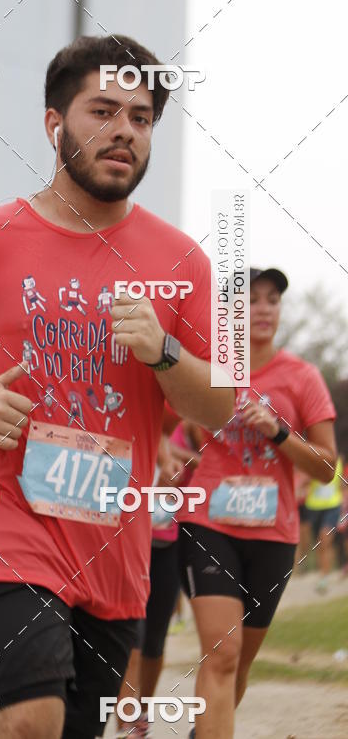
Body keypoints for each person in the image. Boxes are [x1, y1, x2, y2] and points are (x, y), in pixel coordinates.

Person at [0, 34, 235, 738]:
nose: (124, 130)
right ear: (55, 123)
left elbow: (220, 404)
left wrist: (164, 353)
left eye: (141, 118)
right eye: (102, 111)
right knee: (29, 718)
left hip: (114, 548)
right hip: (1, 524)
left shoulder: (184, 263)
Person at [178, 268, 337, 739]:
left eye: (272, 300)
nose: (264, 309)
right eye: (251, 300)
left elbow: (326, 467)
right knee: (222, 654)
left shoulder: (302, 377)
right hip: (208, 524)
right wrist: (171, 452)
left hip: (273, 534)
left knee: (239, 665)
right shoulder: (208, 369)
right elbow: (168, 420)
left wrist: (278, 431)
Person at [115, 420, 203, 739]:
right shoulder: (129, 424)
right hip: (126, 540)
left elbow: (207, 460)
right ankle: (127, 723)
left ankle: (141, 714)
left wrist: (175, 459)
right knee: (133, 636)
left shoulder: (179, 428)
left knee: (155, 637)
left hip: (167, 542)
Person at [304, 456, 344, 593]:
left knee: (325, 539)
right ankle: (322, 571)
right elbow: (304, 481)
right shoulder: (312, 459)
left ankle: (324, 577)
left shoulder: (338, 461)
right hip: (314, 507)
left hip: (333, 506)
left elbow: (340, 484)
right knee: (319, 543)